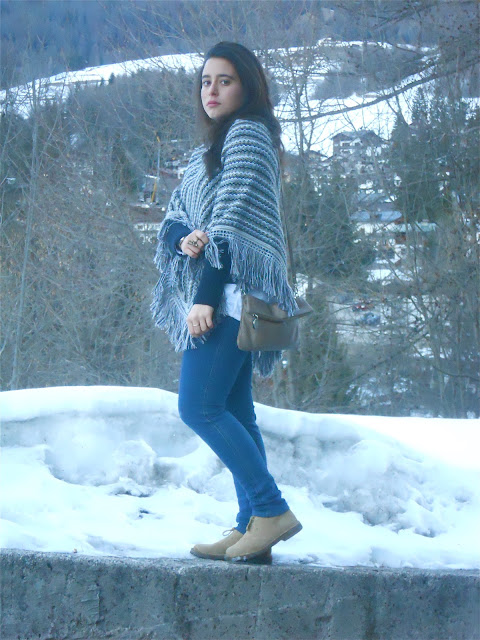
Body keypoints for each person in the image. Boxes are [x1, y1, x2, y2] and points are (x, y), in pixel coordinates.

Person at [151, 42, 302, 563]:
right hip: (224, 294)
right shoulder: (209, 151)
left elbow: (231, 227)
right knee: (236, 410)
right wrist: (184, 238)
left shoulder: (248, 136)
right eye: (205, 81)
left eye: (225, 80)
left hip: (230, 297)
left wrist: (204, 299)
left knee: (198, 406)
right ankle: (250, 527)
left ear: (247, 86)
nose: (211, 91)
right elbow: (175, 217)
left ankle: (271, 510)